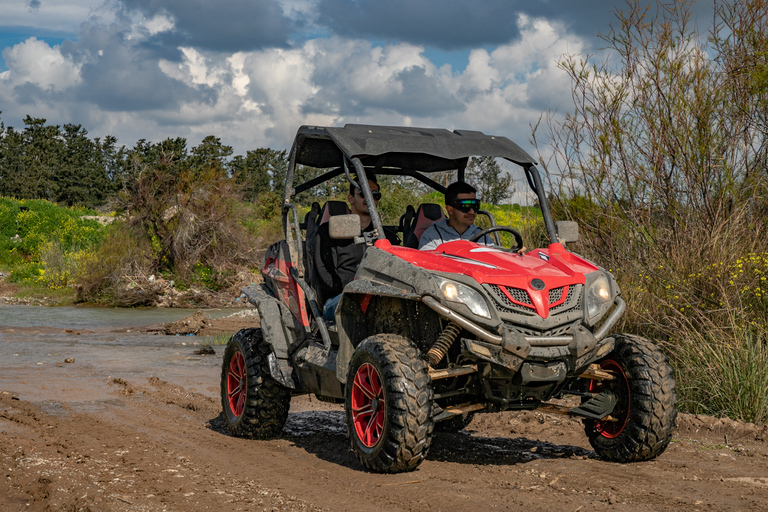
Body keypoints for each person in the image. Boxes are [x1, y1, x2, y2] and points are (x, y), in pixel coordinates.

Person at [314, 175, 399, 322]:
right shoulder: (329, 233)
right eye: (363, 193)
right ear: (351, 198)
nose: (370, 198)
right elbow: (326, 278)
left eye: (375, 195)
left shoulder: (385, 237)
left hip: (379, 297)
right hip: (339, 299)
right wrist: (361, 285)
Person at [418, 181, 494, 251]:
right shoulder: (432, 237)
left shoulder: (482, 236)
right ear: (450, 209)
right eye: (465, 206)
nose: (472, 211)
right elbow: (426, 263)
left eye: (475, 205)